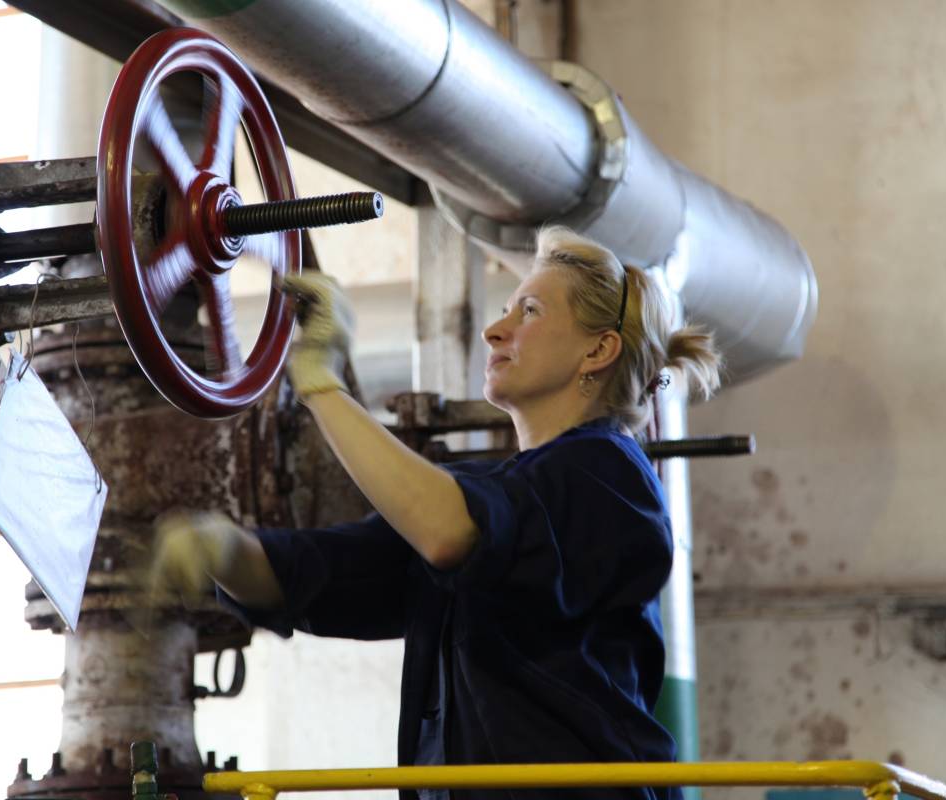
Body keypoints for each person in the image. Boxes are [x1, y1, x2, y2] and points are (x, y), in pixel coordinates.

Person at [149, 225, 723, 800]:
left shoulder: (610, 476)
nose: (494, 330)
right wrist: (223, 551)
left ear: (597, 350)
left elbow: (447, 534)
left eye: (529, 311)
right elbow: (329, 571)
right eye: (505, 310)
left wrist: (322, 385)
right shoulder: (487, 493)